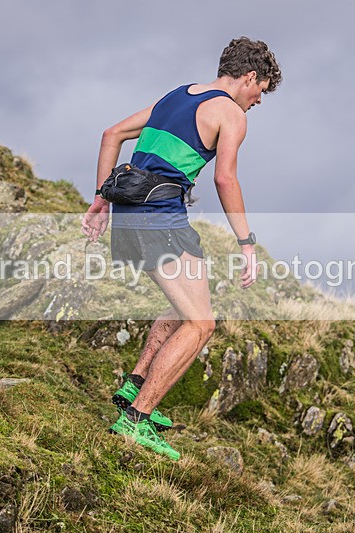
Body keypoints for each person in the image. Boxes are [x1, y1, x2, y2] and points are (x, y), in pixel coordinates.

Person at [81, 37, 282, 460]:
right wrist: (247, 244)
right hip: (160, 216)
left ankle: (135, 384)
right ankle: (137, 419)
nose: (257, 102)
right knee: (201, 324)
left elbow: (111, 134)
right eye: (260, 92)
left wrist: (100, 199)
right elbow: (225, 180)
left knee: (191, 298)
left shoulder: (176, 95)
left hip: (130, 215)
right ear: (249, 77)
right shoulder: (230, 113)